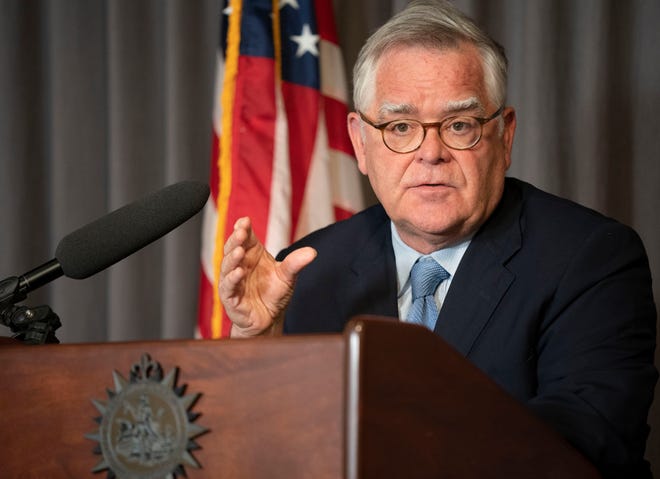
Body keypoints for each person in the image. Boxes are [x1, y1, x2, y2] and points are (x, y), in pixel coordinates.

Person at [219, 0, 657, 477]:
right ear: (360, 143)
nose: (431, 152)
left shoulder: (591, 258)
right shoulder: (307, 270)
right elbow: (260, 455)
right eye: (400, 127)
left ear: (505, 137)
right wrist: (257, 347)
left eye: (459, 125)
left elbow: (586, 444)